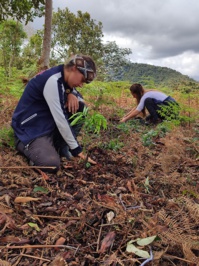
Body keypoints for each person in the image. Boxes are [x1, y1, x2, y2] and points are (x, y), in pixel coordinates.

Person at [12, 54, 97, 172]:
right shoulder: (53, 80)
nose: (81, 84)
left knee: (80, 107)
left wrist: (71, 92)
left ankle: (61, 147)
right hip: (30, 129)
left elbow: (80, 99)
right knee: (51, 164)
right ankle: (27, 147)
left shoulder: (61, 77)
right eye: (82, 80)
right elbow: (61, 119)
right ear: (74, 69)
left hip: (46, 124)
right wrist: (77, 150)